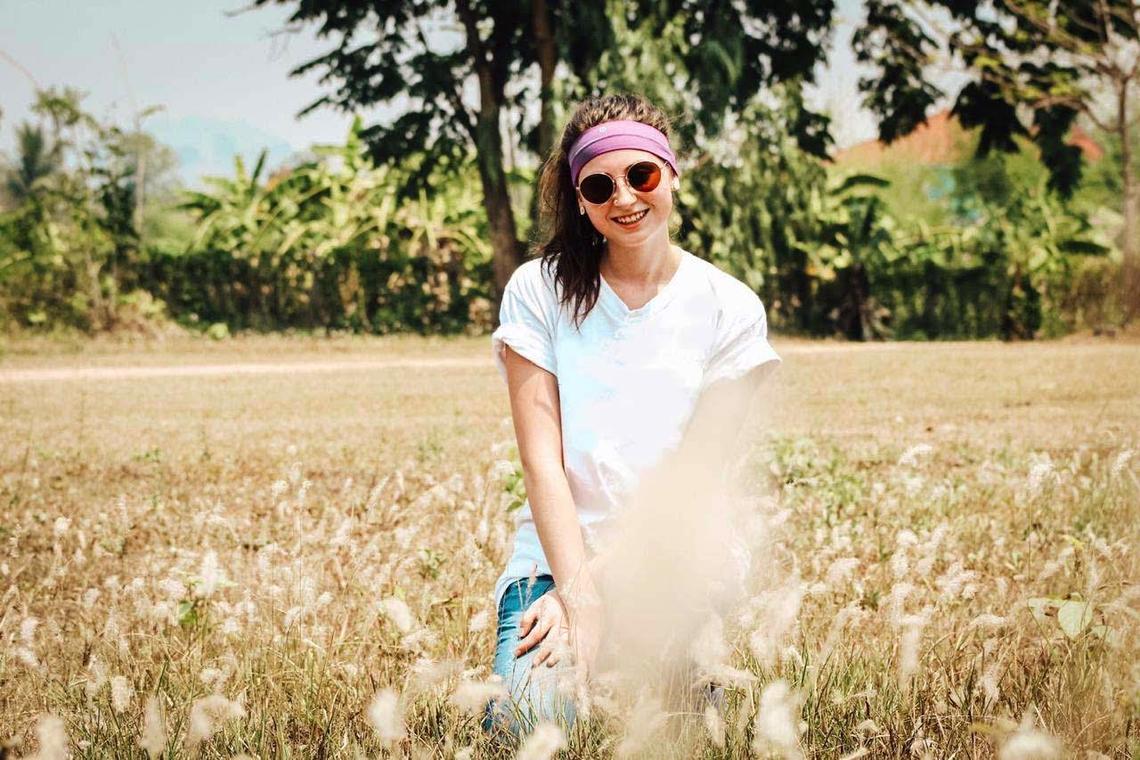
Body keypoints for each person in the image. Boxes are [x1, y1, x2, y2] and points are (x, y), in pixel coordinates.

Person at [481, 93, 782, 740]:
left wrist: (602, 586)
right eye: (599, 184)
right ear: (581, 201)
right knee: (526, 728)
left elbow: (690, 483)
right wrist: (576, 594)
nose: (624, 198)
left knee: (688, 736)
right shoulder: (539, 291)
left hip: (675, 561)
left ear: (672, 174)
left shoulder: (730, 308)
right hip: (554, 563)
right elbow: (542, 461)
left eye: (641, 175)